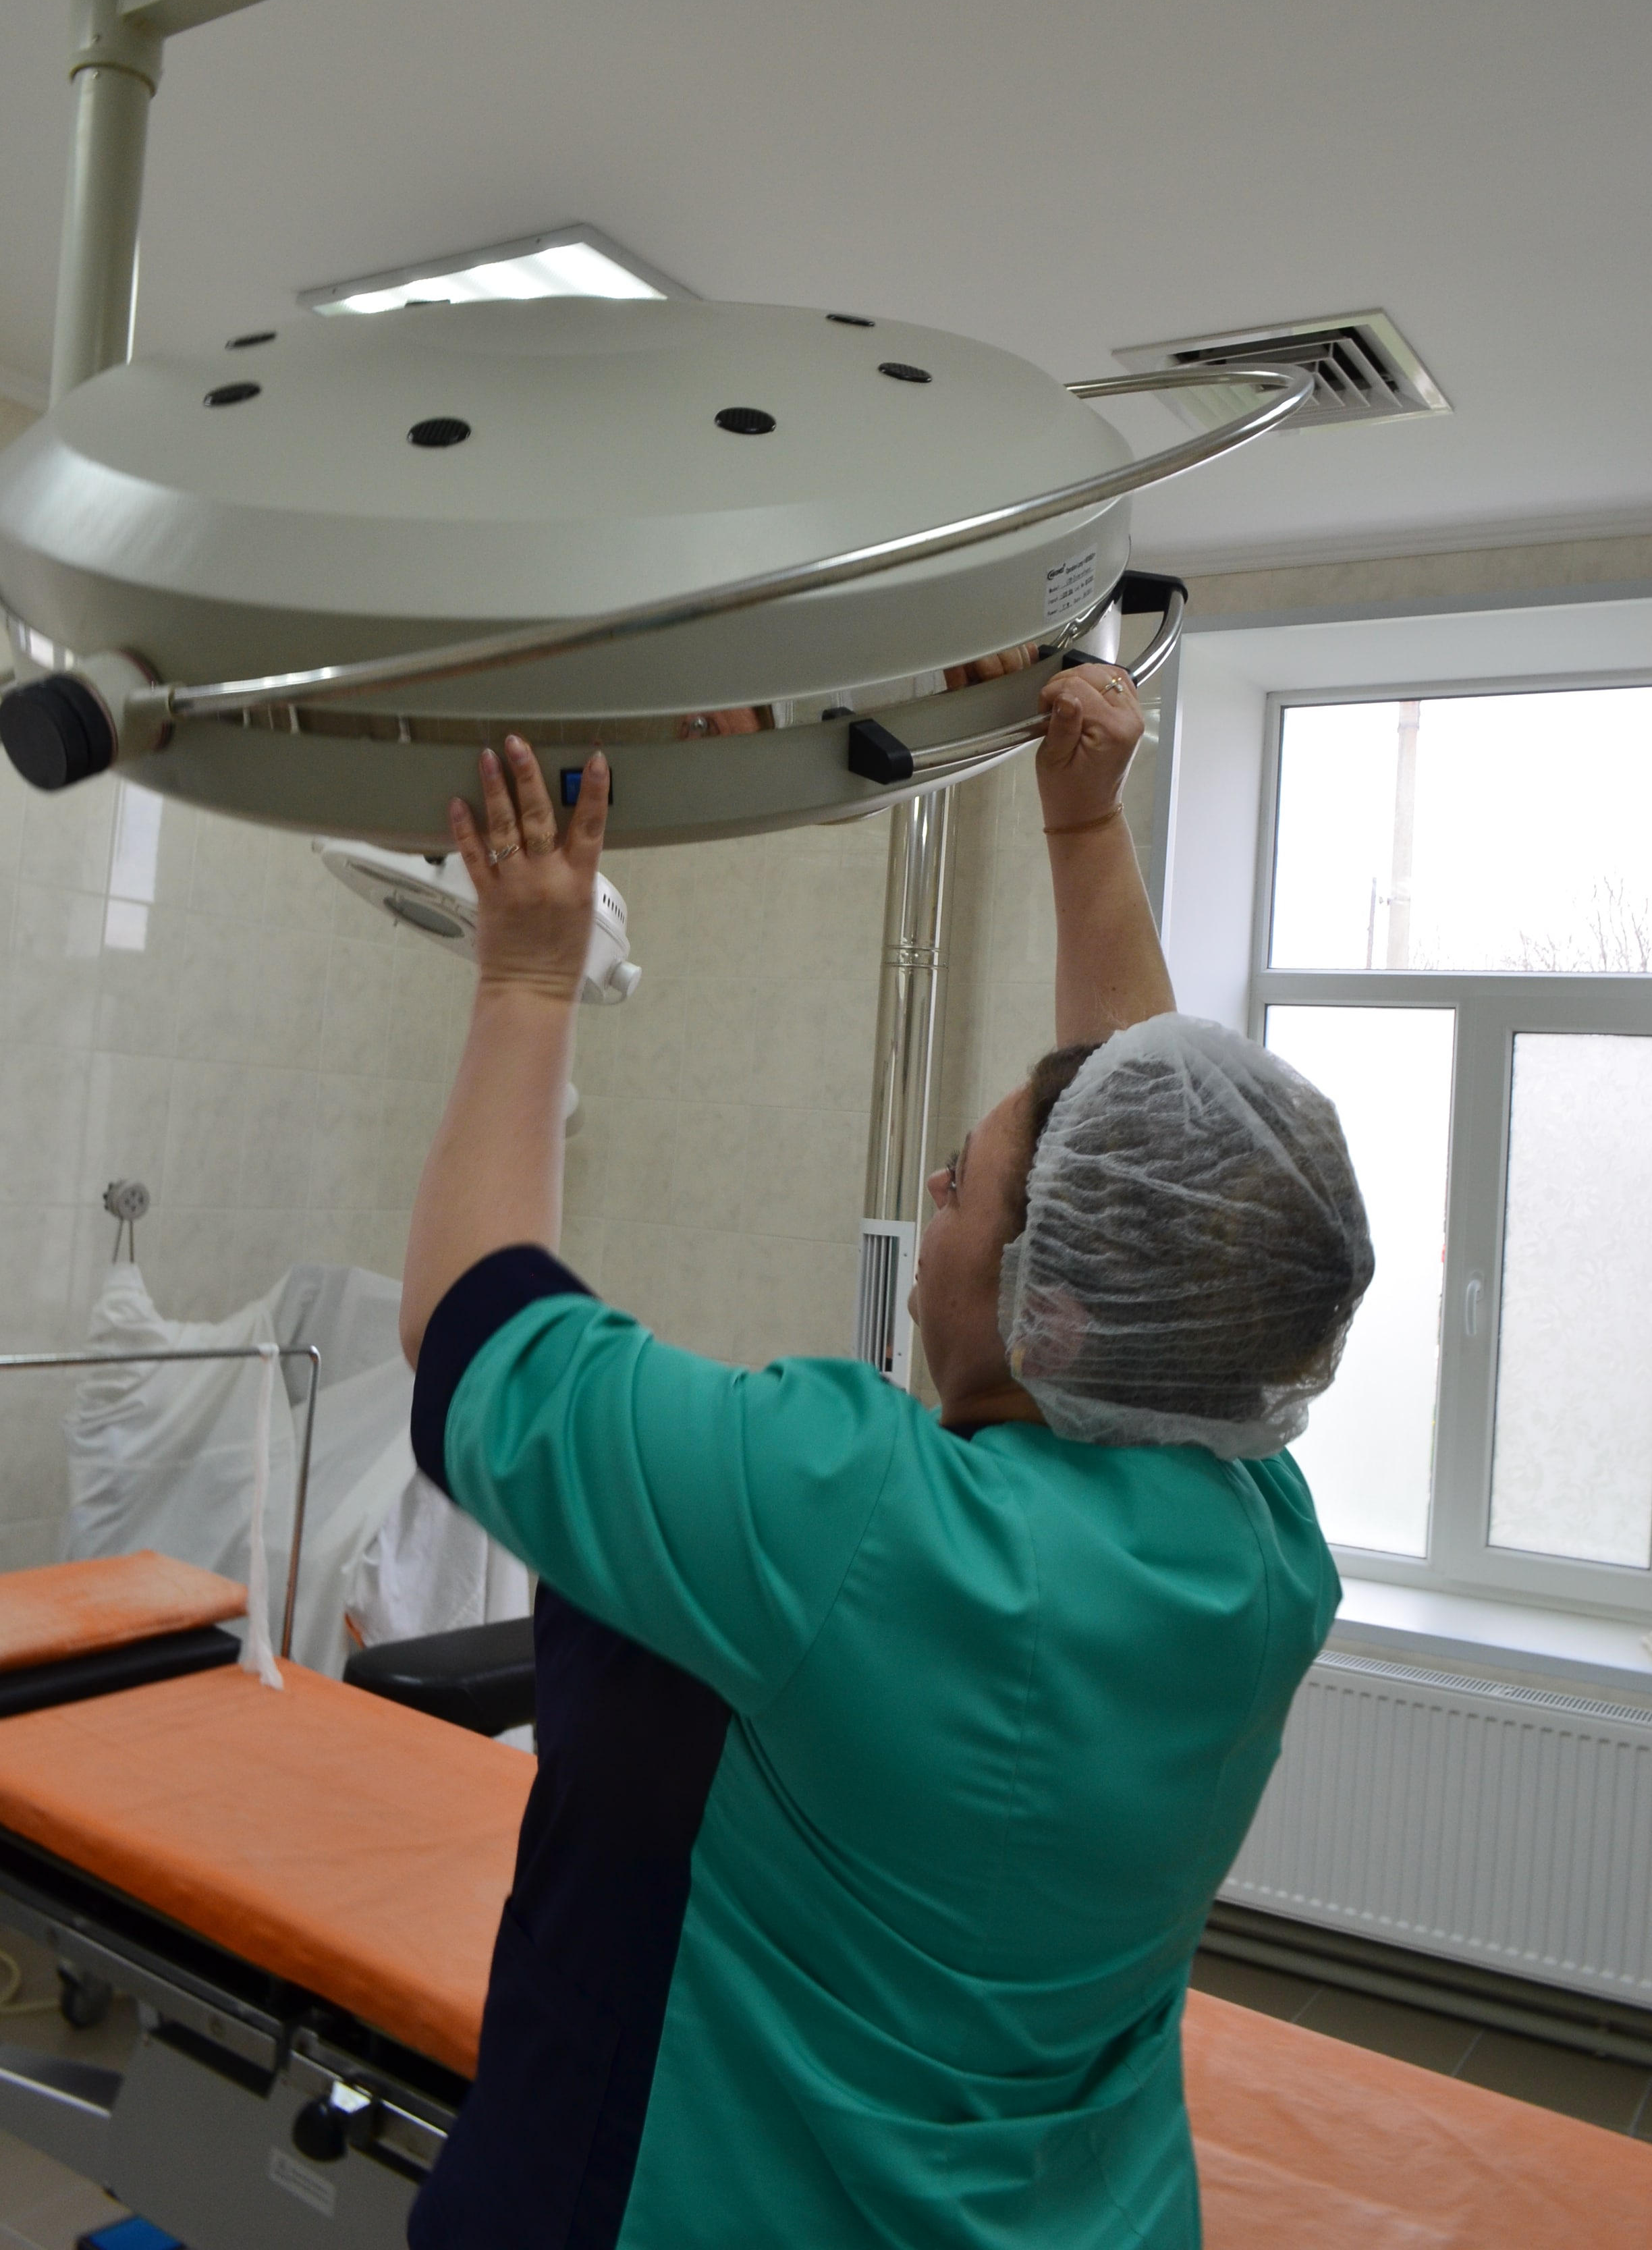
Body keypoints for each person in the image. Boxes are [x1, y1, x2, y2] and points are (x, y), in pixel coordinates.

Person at [399, 662, 1373, 2250]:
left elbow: (476, 1343)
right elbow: (1166, 1182)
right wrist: (1083, 828)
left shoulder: (854, 1514)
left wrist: (523, 978)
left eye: (959, 1186)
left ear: (1053, 1307)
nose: (931, 1190)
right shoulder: (1260, 1545)